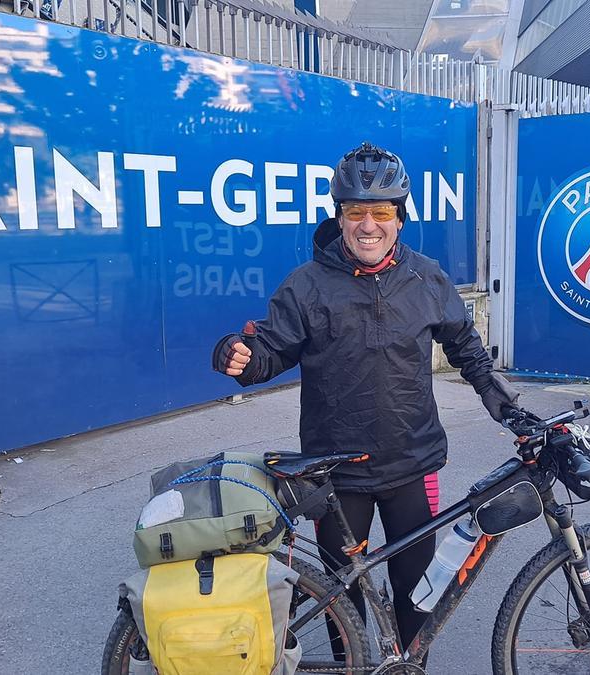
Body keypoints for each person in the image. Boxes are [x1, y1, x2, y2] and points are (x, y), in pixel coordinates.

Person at [212, 141, 519, 653]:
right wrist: (239, 354)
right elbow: (269, 348)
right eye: (357, 212)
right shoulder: (306, 286)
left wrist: (500, 399)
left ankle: (407, 667)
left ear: (400, 218)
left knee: (416, 595)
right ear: (340, 216)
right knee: (343, 604)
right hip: (337, 476)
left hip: (411, 467)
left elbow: (465, 345)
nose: (369, 224)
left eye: (382, 212)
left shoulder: (427, 277)